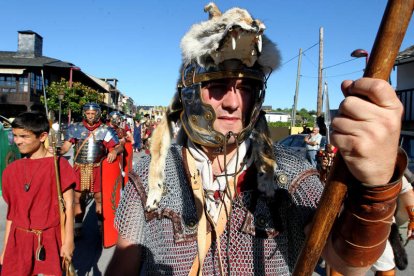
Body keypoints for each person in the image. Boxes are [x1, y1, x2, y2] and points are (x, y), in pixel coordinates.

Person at [105, 3, 406, 275]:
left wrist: (376, 187)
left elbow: (348, 262)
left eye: (245, 87)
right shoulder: (152, 172)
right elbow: (123, 267)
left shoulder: (288, 173)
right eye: (219, 85)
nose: (234, 102)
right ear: (192, 94)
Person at [0, 111, 77, 275]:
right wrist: (5, 248)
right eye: (15, 135)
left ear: (42, 136)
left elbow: (69, 205)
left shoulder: (58, 166)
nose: (17, 141)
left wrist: (69, 240)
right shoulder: (11, 171)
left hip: (49, 239)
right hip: (18, 239)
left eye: (24, 136)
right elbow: (11, 214)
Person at [59, 103, 122, 238]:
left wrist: (115, 151)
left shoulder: (105, 130)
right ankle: (77, 226)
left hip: (97, 168)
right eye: (88, 113)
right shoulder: (75, 128)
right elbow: (65, 147)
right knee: (77, 199)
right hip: (79, 168)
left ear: (98, 114)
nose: (90, 116)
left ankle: (101, 226)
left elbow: (118, 147)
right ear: (84, 113)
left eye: (93, 113)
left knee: (99, 198)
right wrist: (56, 151)